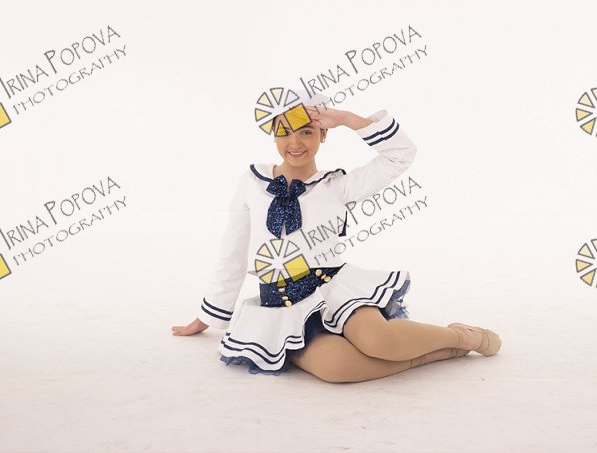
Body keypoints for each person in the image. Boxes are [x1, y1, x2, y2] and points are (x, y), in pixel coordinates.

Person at [172, 91, 501, 383]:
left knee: (379, 342)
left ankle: (460, 337)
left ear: (323, 133)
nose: (295, 143)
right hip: (282, 306)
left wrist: (346, 119)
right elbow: (233, 251)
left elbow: (401, 154)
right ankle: (433, 355)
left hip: (334, 290)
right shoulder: (252, 181)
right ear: (272, 135)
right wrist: (209, 315)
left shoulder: (337, 186)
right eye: (284, 132)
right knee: (337, 368)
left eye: (306, 131)